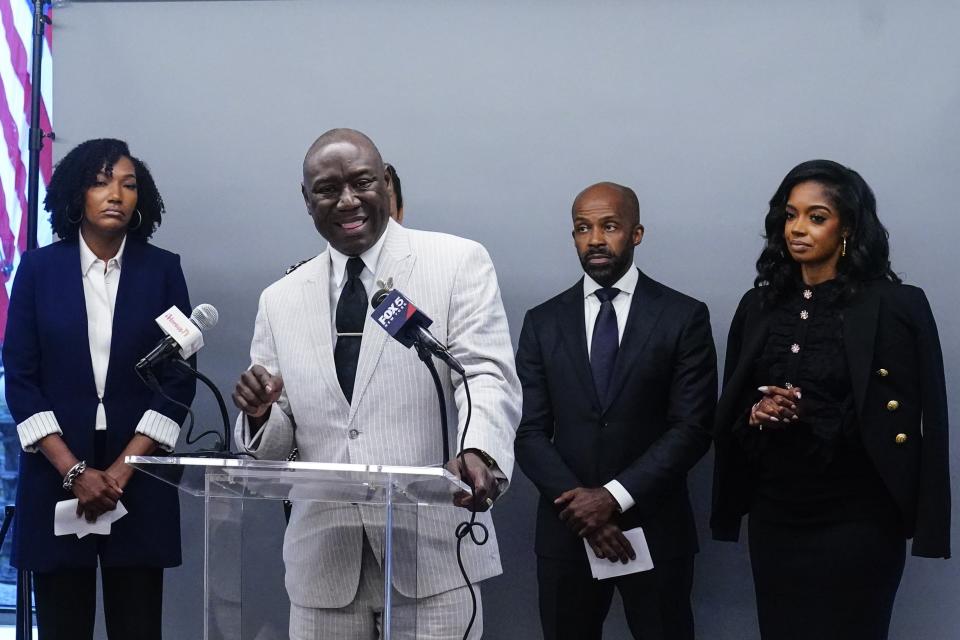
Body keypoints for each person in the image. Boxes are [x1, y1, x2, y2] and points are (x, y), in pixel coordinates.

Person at [231, 128, 520, 639]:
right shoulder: (280, 299)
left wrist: (481, 452)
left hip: (432, 555)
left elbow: (485, 375)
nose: (347, 200)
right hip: (323, 563)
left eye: (362, 182)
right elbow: (277, 446)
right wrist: (260, 416)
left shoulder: (455, 262)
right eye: (327, 189)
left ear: (386, 183)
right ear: (306, 199)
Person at [711, 159, 951, 640]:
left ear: (848, 228)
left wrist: (929, 524)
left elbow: (928, 417)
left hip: (859, 517)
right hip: (776, 513)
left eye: (816, 217)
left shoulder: (897, 305)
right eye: (790, 215)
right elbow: (730, 406)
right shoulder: (757, 305)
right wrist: (760, 413)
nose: (798, 229)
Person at [4, 138, 196, 640]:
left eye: (128, 184)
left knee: (138, 626)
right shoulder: (38, 271)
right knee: (62, 626)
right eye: (100, 181)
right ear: (75, 194)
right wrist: (74, 472)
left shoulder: (163, 271)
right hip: (55, 477)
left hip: (137, 479)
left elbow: (178, 379)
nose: (116, 194)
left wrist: (119, 471)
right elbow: (21, 379)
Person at [514, 182, 717, 640]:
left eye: (609, 226)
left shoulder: (683, 316)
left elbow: (692, 428)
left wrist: (611, 498)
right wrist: (582, 509)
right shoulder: (542, 322)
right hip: (567, 534)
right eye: (583, 229)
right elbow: (527, 431)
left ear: (637, 233)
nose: (595, 240)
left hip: (655, 529)